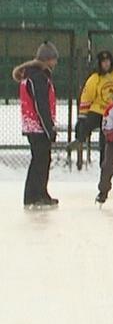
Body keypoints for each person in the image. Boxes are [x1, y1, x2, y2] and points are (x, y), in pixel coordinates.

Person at [14, 41, 60, 209]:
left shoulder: (33, 76)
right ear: (47, 59)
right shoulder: (38, 77)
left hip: (34, 125)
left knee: (41, 159)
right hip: (37, 127)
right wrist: (49, 129)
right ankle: (34, 195)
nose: (55, 62)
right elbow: (41, 105)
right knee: (40, 160)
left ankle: (39, 192)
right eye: (54, 59)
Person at [74, 50, 113, 170]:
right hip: (98, 110)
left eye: (108, 61)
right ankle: (79, 139)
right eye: (103, 62)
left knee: (106, 139)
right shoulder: (95, 78)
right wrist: (82, 116)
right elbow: (87, 96)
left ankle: (104, 165)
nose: (106, 64)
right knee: (85, 125)